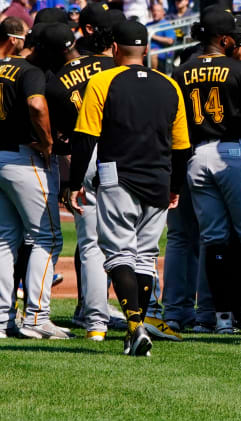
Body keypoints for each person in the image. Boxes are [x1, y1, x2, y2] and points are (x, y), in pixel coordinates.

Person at [67, 18, 191, 356]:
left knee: (119, 253)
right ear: (147, 49)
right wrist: (175, 186)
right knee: (146, 257)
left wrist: (74, 182)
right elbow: (182, 147)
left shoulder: (103, 80)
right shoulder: (169, 84)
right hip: (158, 177)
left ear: (115, 49)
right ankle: (138, 327)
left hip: (116, 174)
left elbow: (85, 137)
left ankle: (135, 326)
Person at [0, 22, 62, 340]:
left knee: (4, 240)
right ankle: (36, 317)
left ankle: (0, 320)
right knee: (47, 238)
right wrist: (47, 141)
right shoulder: (30, 70)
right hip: (21, 159)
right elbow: (36, 104)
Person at [172, 7, 241, 334]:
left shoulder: (182, 70)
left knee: (214, 239)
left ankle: (220, 315)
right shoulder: (238, 69)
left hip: (197, 156)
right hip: (233, 152)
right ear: (224, 38)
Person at [43, 9, 117, 341]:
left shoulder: (55, 80)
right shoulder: (110, 66)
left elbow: (60, 136)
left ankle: (91, 313)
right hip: (119, 151)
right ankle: (138, 308)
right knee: (127, 237)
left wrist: (69, 175)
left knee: (89, 242)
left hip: (82, 156)